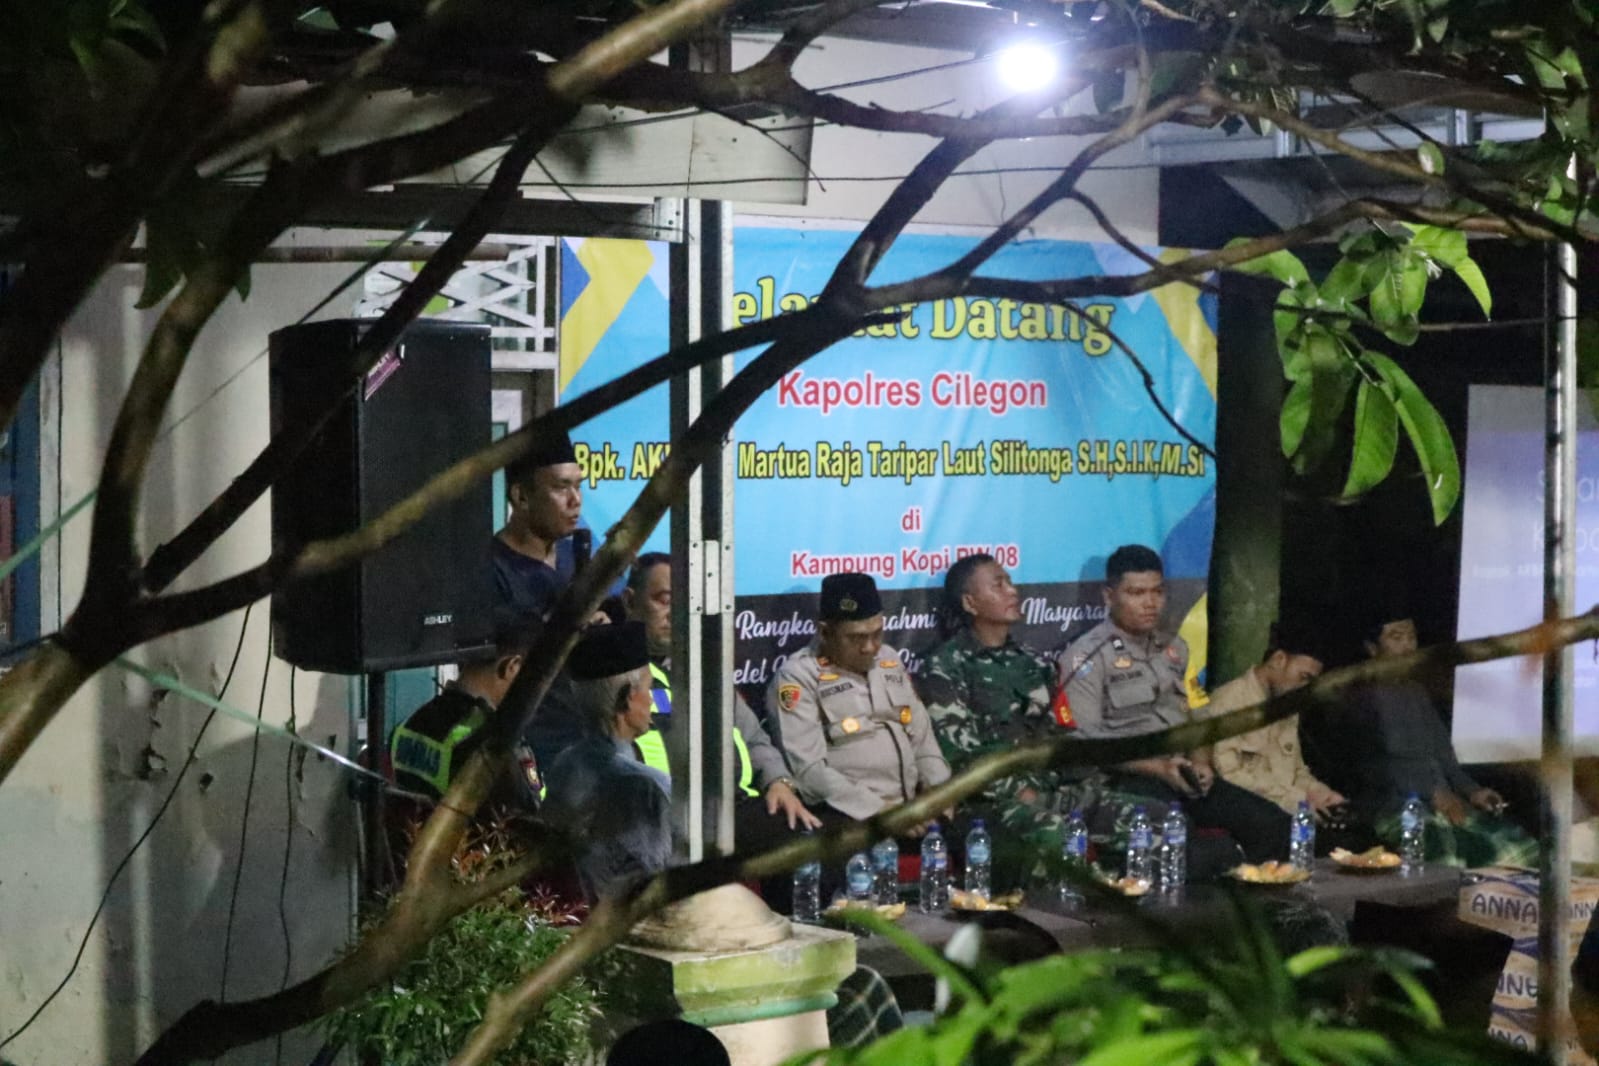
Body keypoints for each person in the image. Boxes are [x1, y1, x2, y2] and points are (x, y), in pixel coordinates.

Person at [1060, 544, 1290, 875]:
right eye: (1136, 593)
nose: (1150, 603)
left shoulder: (1175, 648)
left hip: (1182, 772)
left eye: (1157, 591)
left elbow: (1199, 716)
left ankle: (1255, 900)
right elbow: (1086, 744)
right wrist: (1158, 768)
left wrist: (1201, 762)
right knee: (1186, 848)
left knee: (1273, 825)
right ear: (1109, 596)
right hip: (1128, 779)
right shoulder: (1086, 658)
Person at [919, 553, 1072, 886]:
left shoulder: (1036, 663)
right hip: (987, 802)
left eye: (1011, 582)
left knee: (1150, 817)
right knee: (1051, 829)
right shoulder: (946, 667)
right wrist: (1019, 790)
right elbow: (957, 756)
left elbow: (1062, 736)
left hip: (1049, 788)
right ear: (970, 603)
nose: (1013, 591)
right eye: (998, 585)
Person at [1343, 610, 1537, 868]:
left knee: (1524, 850)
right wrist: (1433, 793)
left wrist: (1472, 790)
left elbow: (1443, 753)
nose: (1407, 646)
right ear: (1372, 648)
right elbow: (1376, 766)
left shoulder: (1415, 691)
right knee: (1455, 861)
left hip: (1443, 803)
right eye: (1396, 638)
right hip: (1394, 808)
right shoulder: (1362, 697)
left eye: (1411, 637)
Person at [765, 572, 952, 827]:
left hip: (914, 811)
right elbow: (810, 772)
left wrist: (939, 792)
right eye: (855, 638)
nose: (870, 647)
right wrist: (881, 813)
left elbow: (922, 738)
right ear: (825, 633)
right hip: (852, 820)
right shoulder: (798, 677)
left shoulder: (889, 660)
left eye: (877, 633)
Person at [1206, 618, 1375, 853]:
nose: (1305, 688)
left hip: (1288, 808)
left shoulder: (1286, 705)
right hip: (1251, 812)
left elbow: (1295, 771)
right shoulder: (1230, 702)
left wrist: (1321, 795)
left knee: (1361, 835)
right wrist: (1297, 800)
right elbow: (1228, 776)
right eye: (1303, 677)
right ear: (1278, 660)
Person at [542, 622, 675, 901]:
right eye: (649, 688)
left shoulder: (563, 765)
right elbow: (651, 893)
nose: (652, 700)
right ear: (628, 698)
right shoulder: (645, 787)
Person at [390, 608, 543, 808]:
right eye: (536, 677)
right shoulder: (492, 741)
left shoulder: (408, 725)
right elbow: (524, 813)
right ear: (512, 666)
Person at [493, 429, 586, 619]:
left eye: (578, 487)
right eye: (561, 488)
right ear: (522, 497)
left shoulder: (573, 555)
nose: (576, 500)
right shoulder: (491, 571)